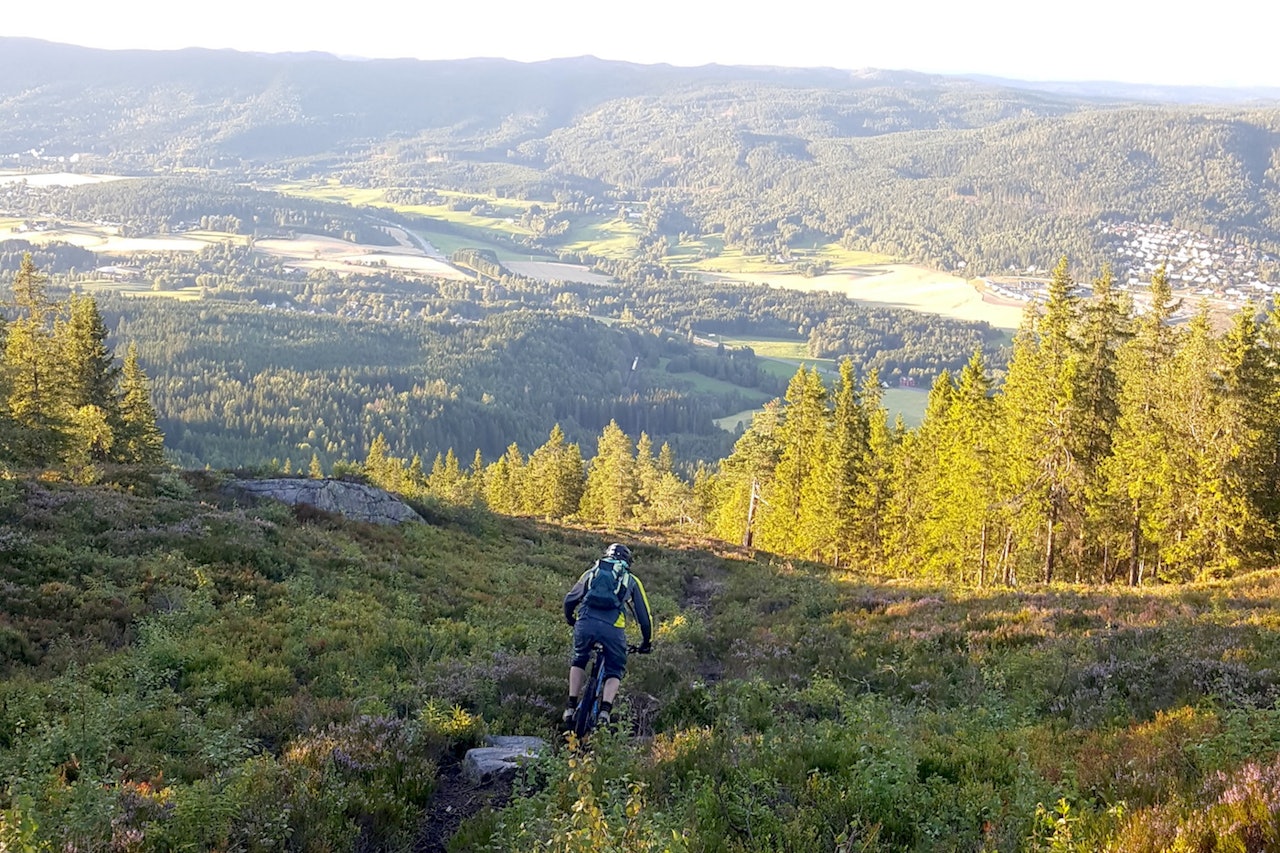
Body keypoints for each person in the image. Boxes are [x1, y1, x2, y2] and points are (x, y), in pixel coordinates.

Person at [562, 542, 653, 727]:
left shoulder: (591, 572)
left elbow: (570, 599)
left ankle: (570, 707)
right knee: (615, 668)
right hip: (612, 629)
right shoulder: (631, 580)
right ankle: (605, 711)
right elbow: (644, 618)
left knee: (579, 659)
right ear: (628, 561)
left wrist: (571, 619)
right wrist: (646, 642)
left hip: (585, 623)